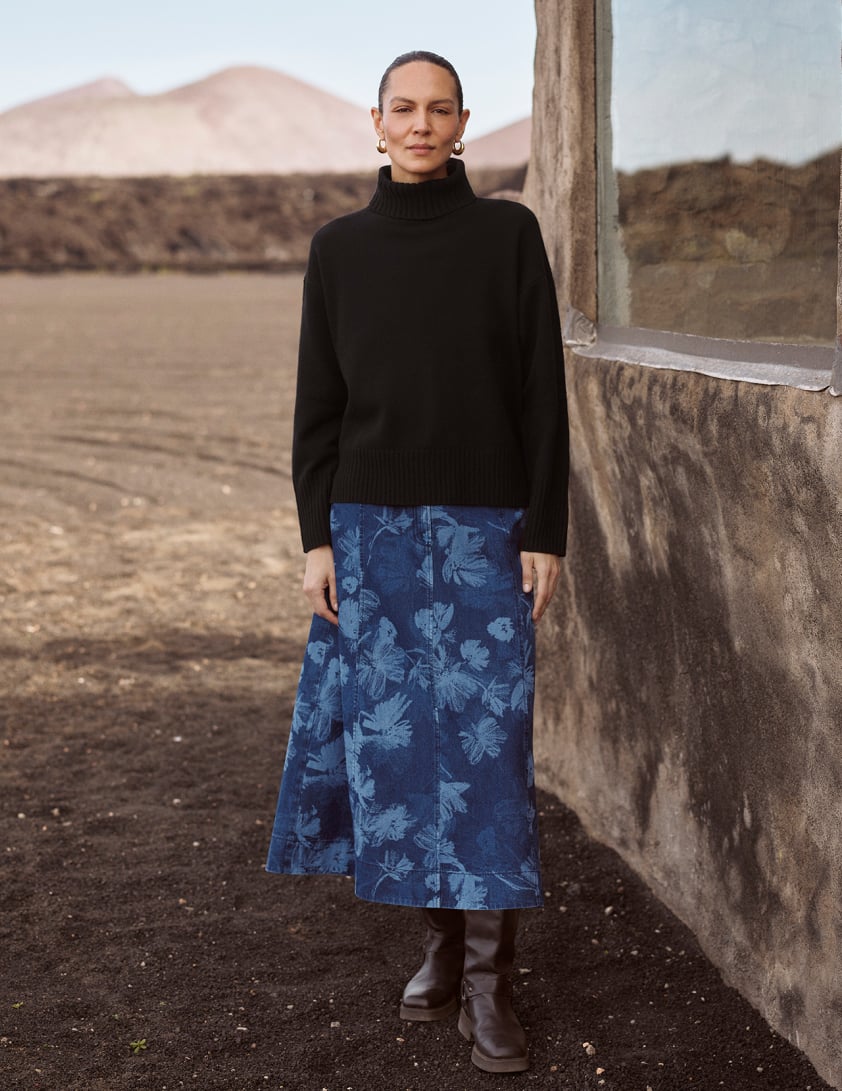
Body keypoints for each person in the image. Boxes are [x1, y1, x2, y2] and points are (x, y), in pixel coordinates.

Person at [266, 50, 569, 1075]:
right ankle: (437, 951)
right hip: (370, 532)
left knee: (483, 749)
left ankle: (489, 980)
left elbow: (541, 391)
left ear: (462, 123)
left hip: (485, 529)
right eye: (404, 108)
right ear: (376, 121)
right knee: (400, 752)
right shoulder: (338, 248)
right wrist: (317, 536)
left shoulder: (506, 234)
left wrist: (544, 529)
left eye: (439, 109)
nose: (420, 124)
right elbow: (318, 405)